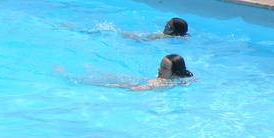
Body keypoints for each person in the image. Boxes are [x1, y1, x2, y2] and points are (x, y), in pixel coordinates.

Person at [60, 53, 193, 92]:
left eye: (164, 68)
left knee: (116, 82)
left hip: (148, 84)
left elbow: (137, 90)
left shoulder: (162, 83)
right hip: (148, 81)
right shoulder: (180, 79)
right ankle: (90, 72)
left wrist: (135, 87)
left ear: (174, 73)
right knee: (116, 77)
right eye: (160, 66)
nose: (159, 69)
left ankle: (78, 80)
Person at [122, 17, 188, 41]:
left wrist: (131, 37)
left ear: (175, 31)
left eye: (168, 26)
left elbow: (144, 41)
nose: (165, 26)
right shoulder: (181, 37)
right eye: (166, 23)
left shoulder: (162, 36)